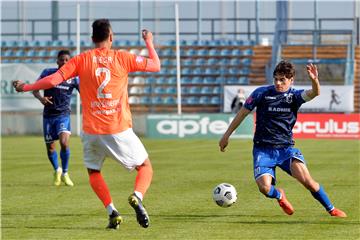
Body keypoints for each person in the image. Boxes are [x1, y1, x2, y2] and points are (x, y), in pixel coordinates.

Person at [13, 19, 160, 229]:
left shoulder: (82, 60)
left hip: (91, 131)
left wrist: (27, 86)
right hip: (118, 128)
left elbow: (54, 80)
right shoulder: (123, 57)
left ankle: (112, 212)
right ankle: (137, 196)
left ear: (92, 39)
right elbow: (156, 65)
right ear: (111, 37)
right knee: (145, 167)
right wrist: (149, 42)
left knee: (94, 172)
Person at [219, 60, 346, 218]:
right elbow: (243, 113)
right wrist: (227, 134)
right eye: (276, 79)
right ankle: (279, 195)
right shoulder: (261, 93)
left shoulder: (294, 96)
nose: (278, 83)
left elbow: (314, 93)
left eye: (282, 80)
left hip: (285, 149)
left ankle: (331, 209)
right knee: (265, 188)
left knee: (308, 182)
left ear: (291, 80)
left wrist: (314, 80)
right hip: (262, 149)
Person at [33, 50, 79, 187]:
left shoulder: (74, 77)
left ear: (69, 62)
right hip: (48, 116)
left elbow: (84, 91)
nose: (64, 62)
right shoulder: (48, 73)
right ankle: (57, 170)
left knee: (64, 143)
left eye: (67, 60)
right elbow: (35, 89)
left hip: (63, 115)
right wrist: (42, 98)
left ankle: (65, 173)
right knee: (51, 148)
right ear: (57, 61)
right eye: (62, 60)